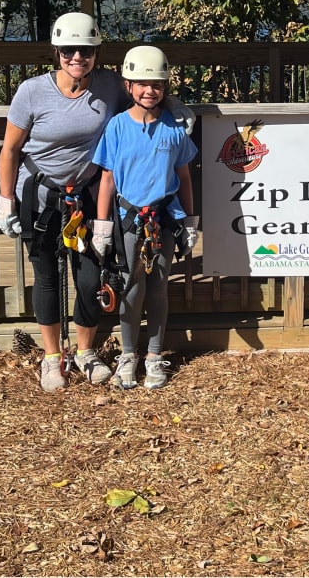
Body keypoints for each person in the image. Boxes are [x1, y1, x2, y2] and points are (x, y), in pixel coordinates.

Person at [0, 13, 196, 393]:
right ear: (56, 51)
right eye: (69, 50)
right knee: (47, 277)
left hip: (86, 198)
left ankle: (86, 352)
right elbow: (10, 149)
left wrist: (176, 106)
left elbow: (147, 92)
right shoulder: (32, 92)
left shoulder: (107, 85)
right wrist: (7, 200)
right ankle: (53, 357)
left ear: (96, 52)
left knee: (90, 277)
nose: (77, 57)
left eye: (85, 50)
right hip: (39, 197)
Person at [91, 45, 199, 391]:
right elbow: (107, 179)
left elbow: (183, 177)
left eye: (156, 85)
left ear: (165, 88)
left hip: (163, 218)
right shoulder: (117, 127)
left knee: (158, 289)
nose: (149, 91)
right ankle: (127, 354)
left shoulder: (173, 130)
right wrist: (103, 225)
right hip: (127, 218)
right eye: (141, 84)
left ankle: (153, 356)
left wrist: (190, 221)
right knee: (131, 290)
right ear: (128, 86)